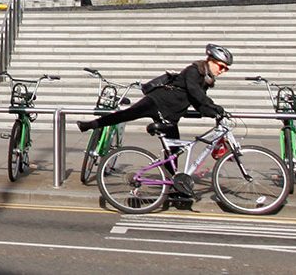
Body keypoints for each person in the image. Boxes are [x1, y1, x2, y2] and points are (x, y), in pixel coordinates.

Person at [79, 45, 233, 206]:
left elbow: (198, 102)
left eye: (226, 69)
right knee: (127, 114)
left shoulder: (205, 80)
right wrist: (214, 106)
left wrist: (214, 112)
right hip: (156, 102)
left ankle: (176, 188)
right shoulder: (193, 71)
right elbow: (195, 93)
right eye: (221, 66)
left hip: (168, 116)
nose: (222, 71)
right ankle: (90, 125)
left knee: (173, 153)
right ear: (210, 61)